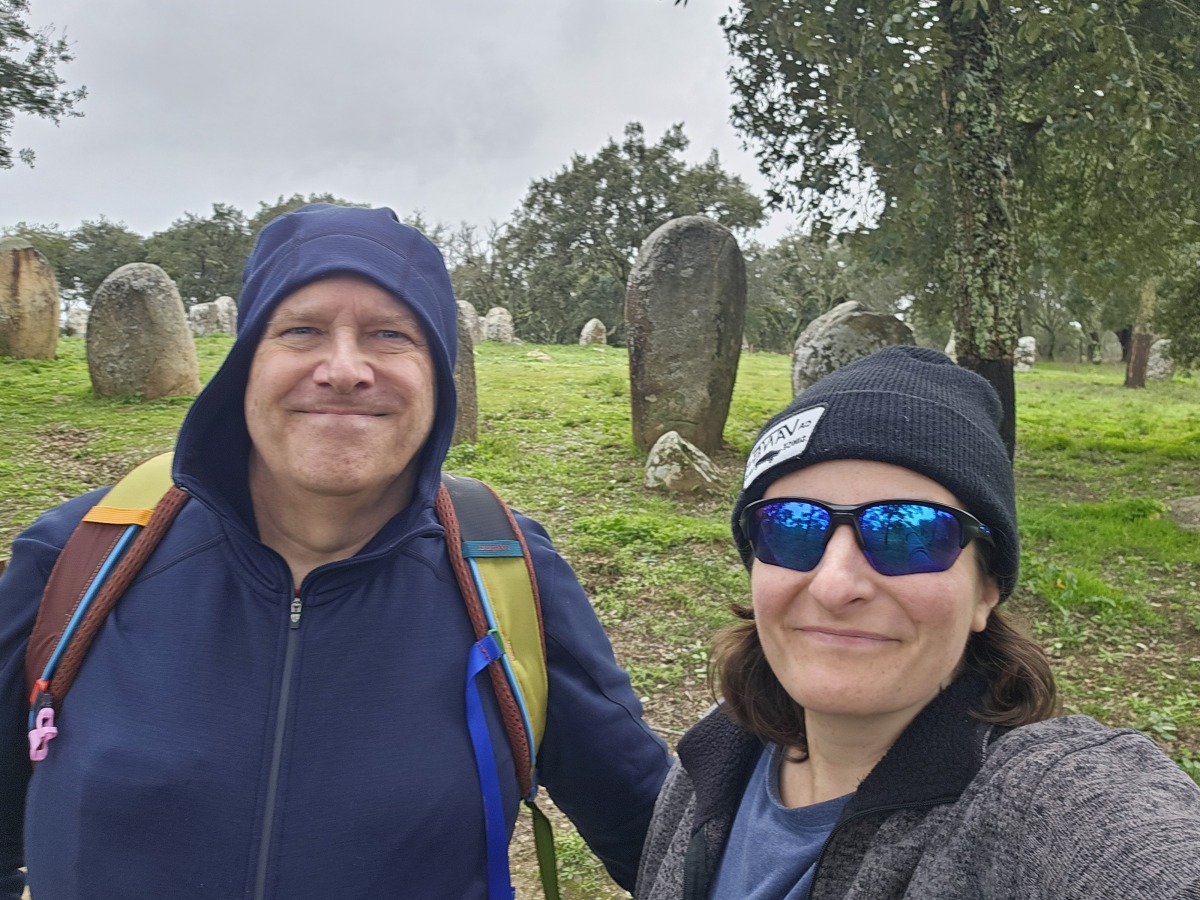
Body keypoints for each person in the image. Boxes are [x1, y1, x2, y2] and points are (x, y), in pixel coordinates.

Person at [0, 203, 670, 899]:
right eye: (301, 330)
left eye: (390, 334)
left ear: (440, 374)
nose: (344, 369)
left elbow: (659, 839)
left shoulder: (508, 571)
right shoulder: (78, 558)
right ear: (245, 364)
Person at [636, 346, 1200, 900]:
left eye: (909, 532)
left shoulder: (1043, 801)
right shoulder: (718, 751)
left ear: (986, 589)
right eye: (791, 526)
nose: (834, 585)